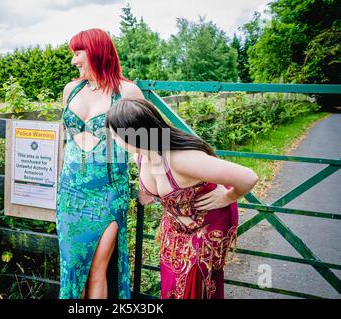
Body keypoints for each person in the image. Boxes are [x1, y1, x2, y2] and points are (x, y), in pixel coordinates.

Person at [105, 98, 259, 299]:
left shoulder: (182, 159)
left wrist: (228, 197)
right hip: (176, 223)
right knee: (171, 281)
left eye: (116, 134)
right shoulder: (140, 155)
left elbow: (248, 177)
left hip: (209, 222)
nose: (112, 138)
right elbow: (160, 187)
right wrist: (146, 192)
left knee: (193, 284)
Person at [56, 28, 144, 299]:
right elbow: (63, 141)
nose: (73, 61)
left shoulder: (127, 91)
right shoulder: (71, 90)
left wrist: (146, 185)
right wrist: (58, 184)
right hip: (70, 195)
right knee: (71, 268)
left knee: (97, 270)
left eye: (77, 53)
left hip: (108, 195)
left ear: (95, 52)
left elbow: (147, 144)